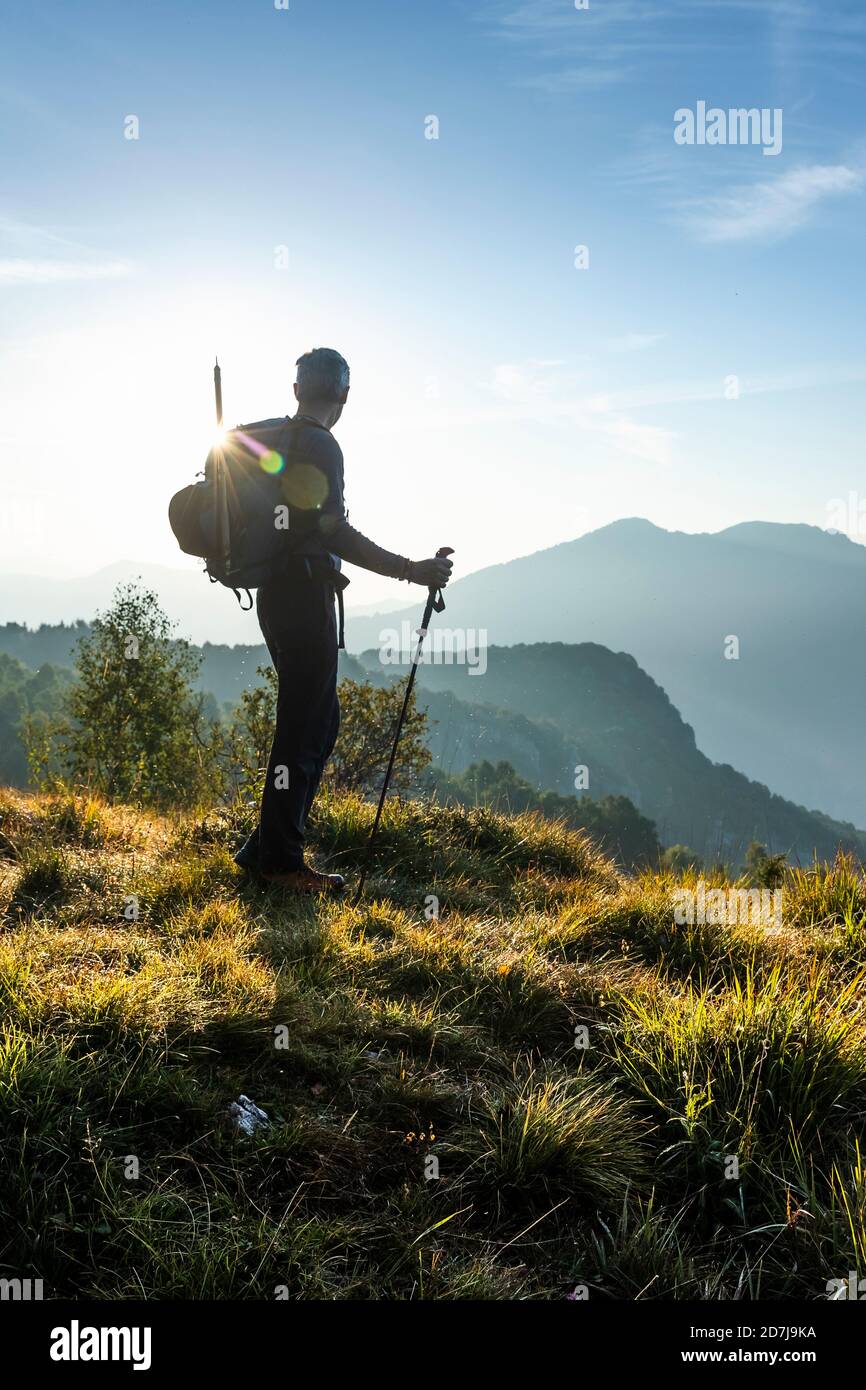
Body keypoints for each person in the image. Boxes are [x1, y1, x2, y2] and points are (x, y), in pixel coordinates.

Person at [234, 347, 453, 894]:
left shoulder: (278, 436)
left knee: (317, 720)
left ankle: (266, 847)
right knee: (303, 729)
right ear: (345, 395)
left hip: (276, 598)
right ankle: (281, 865)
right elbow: (332, 530)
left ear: (298, 389)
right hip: (305, 599)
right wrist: (411, 570)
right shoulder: (321, 444)